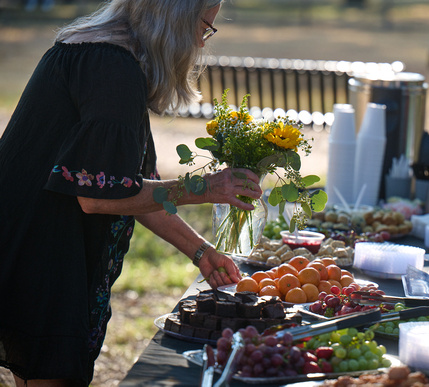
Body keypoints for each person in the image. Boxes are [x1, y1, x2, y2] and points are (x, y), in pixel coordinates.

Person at [0, 1, 262, 385]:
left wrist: (201, 251)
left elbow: (132, 189)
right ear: (177, 19)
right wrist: (206, 187)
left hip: (39, 238)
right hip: (41, 248)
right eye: (204, 28)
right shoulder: (113, 68)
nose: (201, 44)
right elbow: (99, 196)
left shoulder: (107, 54)